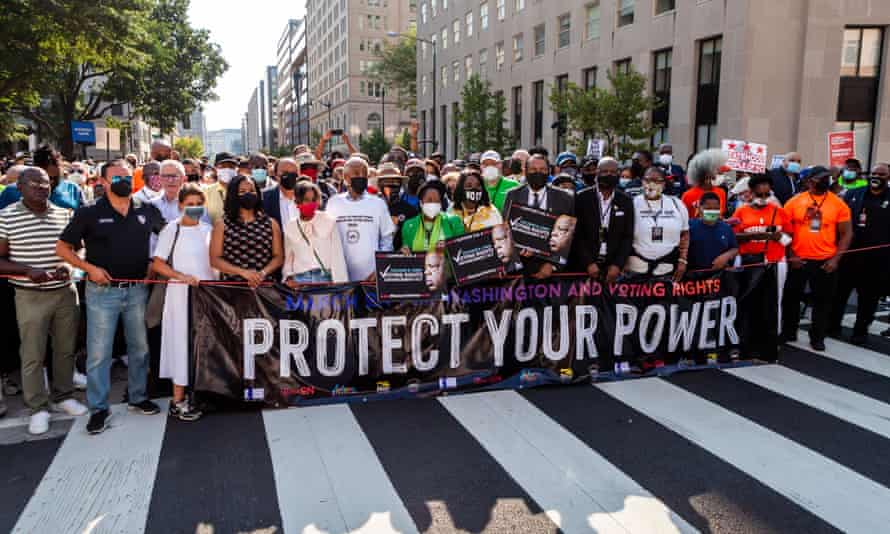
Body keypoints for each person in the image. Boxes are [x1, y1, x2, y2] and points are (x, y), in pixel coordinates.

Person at [56, 158, 166, 434]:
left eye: (126, 176)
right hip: (102, 294)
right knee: (99, 354)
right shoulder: (89, 212)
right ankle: (99, 408)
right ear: (102, 182)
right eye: (116, 177)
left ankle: (138, 397)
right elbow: (63, 248)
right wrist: (89, 268)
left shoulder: (146, 209)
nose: (123, 181)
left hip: (137, 291)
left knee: (139, 349)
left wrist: (154, 265)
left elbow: (166, 236)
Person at [0, 167, 87, 434]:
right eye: (34, 183)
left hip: (64, 290)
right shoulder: (6, 217)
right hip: (29, 295)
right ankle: (37, 407)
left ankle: (64, 397)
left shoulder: (64, 213)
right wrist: (27, 270)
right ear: (20, 187)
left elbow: (79, 247)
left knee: (64, 349)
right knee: (33, 354)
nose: (41, 187)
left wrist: (69, 266)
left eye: (46, 183)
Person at [150, 184, 214, 421]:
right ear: (180, 205)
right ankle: (177, 400)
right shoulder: (172, 230)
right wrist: (181, 277)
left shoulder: (209, 229)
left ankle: (200, 394)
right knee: (181, 344)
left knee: (202, 344)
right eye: (190, 204)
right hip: (180, 297)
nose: (195, 208)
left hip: (207, 298)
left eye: (199, 204)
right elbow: (158, 263)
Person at [781, 165, 852, 351]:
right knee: (791, 298)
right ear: (809, 180)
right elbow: (784, 232)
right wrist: (791, 255)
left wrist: (836, 259)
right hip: (799, 260)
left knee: (823, 301)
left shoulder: (838, 204)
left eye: (828, 177)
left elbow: (846, 234)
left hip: (825, 261)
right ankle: (789, 331)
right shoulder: (794, 202)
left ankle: (817, 336)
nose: (826, 181)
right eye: (821, 177)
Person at [828, 163, 890, 345]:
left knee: (868, 299)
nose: (877, 176)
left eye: (882, 174)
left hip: (877, 259)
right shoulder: (855, 193)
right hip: (849, 254)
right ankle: (833, 326)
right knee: (839, 293)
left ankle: (860, 331)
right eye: (874, 173)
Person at [503, 154, 574, 278]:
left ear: (549, 172)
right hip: (520, 268)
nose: (538, 173)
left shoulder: (565, 198)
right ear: (525, 171)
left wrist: (551, 264)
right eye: (533, 170)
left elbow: (567, 236)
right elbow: (506, 231)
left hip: (550, 271)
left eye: (542, 170)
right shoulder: (512, 195)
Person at [326, 157, 396, 282]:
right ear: (346, 178)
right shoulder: (333, 203)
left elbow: (387, 239)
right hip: (341, 278)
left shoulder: (378, 203)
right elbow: (327, 237)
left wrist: (380, 268)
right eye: (357, 173)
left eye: (364, 174)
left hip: (372, 278)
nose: (361, 177)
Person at [210, 175, 284, 289]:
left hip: (265, 289)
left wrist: (262, 274)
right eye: (242, 191)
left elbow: (278, 257)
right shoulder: (222, 224)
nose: (248, 194)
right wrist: (243, 272)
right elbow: (215, 260)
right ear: (234, 195)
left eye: (251, 190)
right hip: (233, 290)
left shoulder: (271, 223)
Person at [573, 157, 635, 284]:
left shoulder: (625, 200)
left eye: (613, 172)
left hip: (612, 268)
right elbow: (577, 235)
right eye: (605, 171)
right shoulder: (581, 198)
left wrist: (617, 264)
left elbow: (627, 236)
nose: (609, 175)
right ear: (597, 173)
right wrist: (588, 263)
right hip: (584, 267)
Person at [626, 166, 690, 281]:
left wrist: (683, 260)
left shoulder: (677, 204)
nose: (652, 184)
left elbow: (685, 234)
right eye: (648, 180)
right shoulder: (631, 204)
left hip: (667, 268)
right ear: (642, 182)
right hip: (636, 269)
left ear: (664, 184)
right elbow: (623, 236)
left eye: (657, 181)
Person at [283, 181, 349, 284]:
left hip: (324, 279)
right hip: (300, 280)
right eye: (306, 200)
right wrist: (289, 277)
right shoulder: (290, 226)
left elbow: (337, 255)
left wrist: (340, 283)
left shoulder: (328, 221)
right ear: (297, 201)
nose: (311, 203)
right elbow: (289, 258)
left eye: (314, 199)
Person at [0, 147, 86, 210]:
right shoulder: (11, 191)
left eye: (55, 178)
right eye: (46, 179)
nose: (50, 183)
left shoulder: (73, 189)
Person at [401, 181, 464, 253]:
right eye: (429, 200)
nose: (433, 203)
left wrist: (448, 249)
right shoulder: (409, 225)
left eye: (437, 200)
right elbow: (407, 252)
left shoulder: (453, 221)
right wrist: (405, 251)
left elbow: (461, 250)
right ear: (421, 203)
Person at [687, 192, 739, 272]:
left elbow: (734, 248)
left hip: (719, 275)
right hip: (694, 276)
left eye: (715, 209)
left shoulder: (726, 228)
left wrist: (726, 256)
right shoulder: (689, 226)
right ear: (700, 208)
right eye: (708, 208)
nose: (712, 212)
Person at [683, 149, 728, 217]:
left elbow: (721, 216)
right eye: (715, 169)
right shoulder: (688, 195)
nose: (717, 172)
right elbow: (684, 219)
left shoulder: (721, 192)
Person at [262, 157, 301, 229]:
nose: (290, 176)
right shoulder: (264, 198)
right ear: (276, 175)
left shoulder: (308, 196)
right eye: (285, 173)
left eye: (294, 172)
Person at [205, 152, 238, 223]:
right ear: (215, 169)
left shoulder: (243, 190)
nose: (227, 169)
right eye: (223, 166)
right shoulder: (206, 191)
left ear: (236, 169)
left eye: (231, 167)